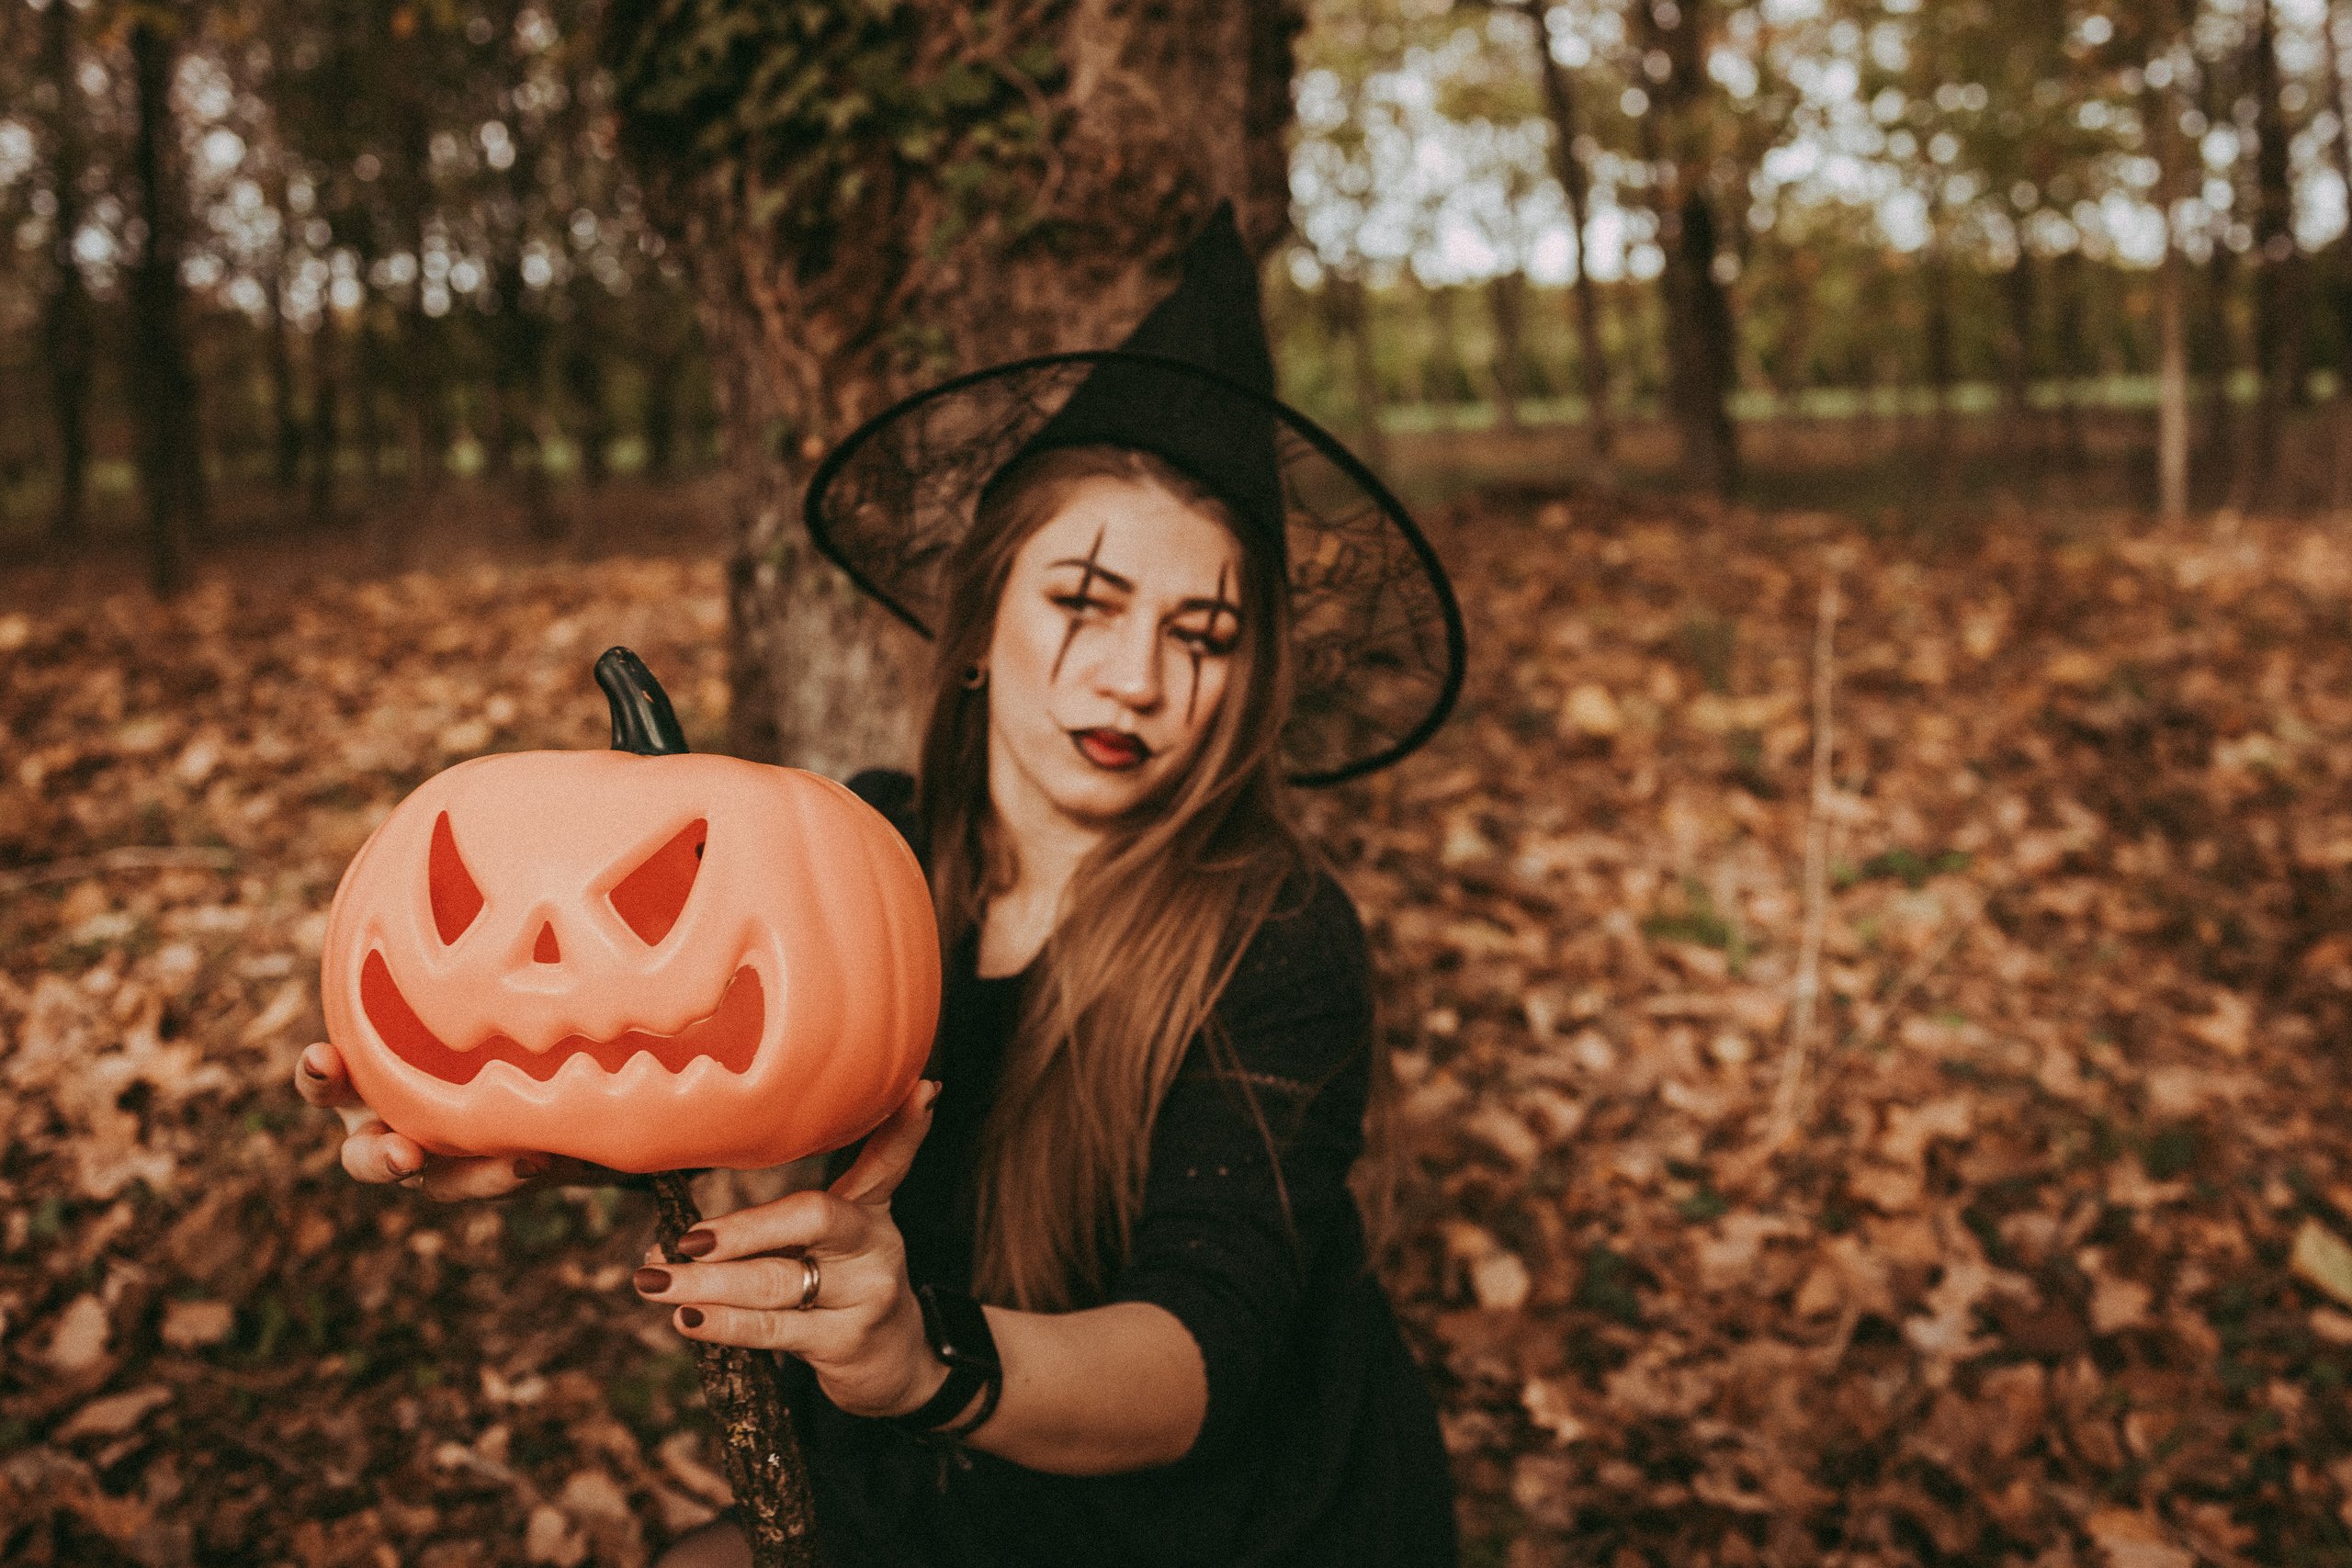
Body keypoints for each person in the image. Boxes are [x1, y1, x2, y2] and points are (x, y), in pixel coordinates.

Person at [298, 203, 1465, 1567]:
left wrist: (928, 1360)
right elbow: (715, 1074)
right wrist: (542, 1127)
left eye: (1199, 634)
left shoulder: (1275, 932)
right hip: (909, 1511)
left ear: (1245, 679)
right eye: (1082, 602)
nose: (1136, 678)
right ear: (981, 624)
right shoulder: (866, 855)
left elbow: (1200, 1351)